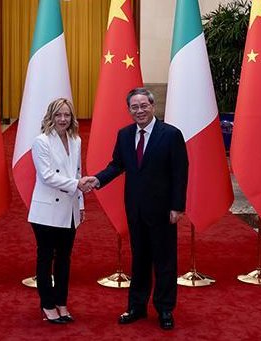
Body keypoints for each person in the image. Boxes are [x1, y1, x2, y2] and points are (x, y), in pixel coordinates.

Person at [85, 88, 188, 330]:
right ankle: (137, 307)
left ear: (152, 106)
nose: (139, 110)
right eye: (134, 107)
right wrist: (97, 180)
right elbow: (117, 165)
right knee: (140, 259)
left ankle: (164, 309)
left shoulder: (171, 134)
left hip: (164, 211)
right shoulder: (124, 135)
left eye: (144, 105)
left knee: (164, 261)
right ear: (129, 110)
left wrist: (177, 206)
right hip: (135, 209)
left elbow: (180, 173)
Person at [28, 98, 91, 324]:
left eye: (66, 115)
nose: (63, 119)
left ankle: (61, 302)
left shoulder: (76, 140)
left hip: (70, 208)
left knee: (64, 259)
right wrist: (78, 185)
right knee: (45, 259)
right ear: (50, 117)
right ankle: (47, 305)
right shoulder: (41, 141)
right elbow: (46, 176)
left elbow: (77, 172)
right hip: (46, 211)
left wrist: (81, 204)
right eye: (58, 115)